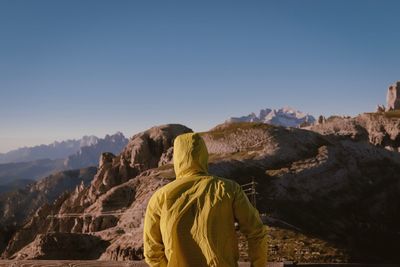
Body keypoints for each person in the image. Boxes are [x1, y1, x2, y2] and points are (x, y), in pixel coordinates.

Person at [143, 133, 268, 267]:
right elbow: (256, 232)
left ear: (177, 158)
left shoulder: (160, 197)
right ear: (204, 155)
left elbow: (151, 251)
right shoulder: (228, 189)